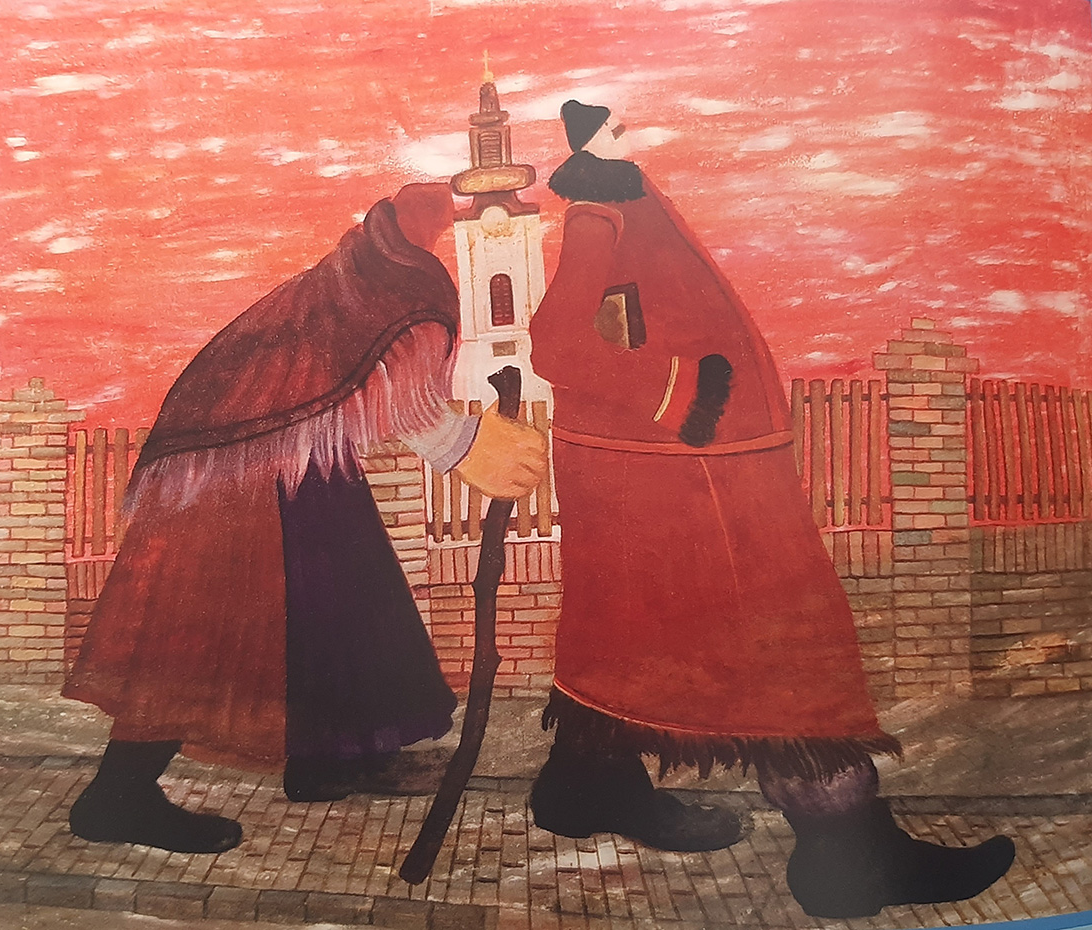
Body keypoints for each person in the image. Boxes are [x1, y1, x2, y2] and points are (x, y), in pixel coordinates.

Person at [526, 100, 1015, 918]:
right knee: (785, 671)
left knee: (630, 644)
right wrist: (684, 397)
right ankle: (847, 863)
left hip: (683, 476)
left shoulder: (624, 202)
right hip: (689, 483)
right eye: (615, 128)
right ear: (592, 142)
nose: (630, 135)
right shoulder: (595, 214)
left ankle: (585, 786)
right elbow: (559, 344)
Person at [63, 182, 547, 854]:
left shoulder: (345, 281)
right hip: (228, 479)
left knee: (347, 596)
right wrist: (465, 447)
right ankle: (115, 798)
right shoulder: (380, 288)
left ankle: (330, 762)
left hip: (295, 465)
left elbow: (363, 387)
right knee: (198, 633)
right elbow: (401, 394)